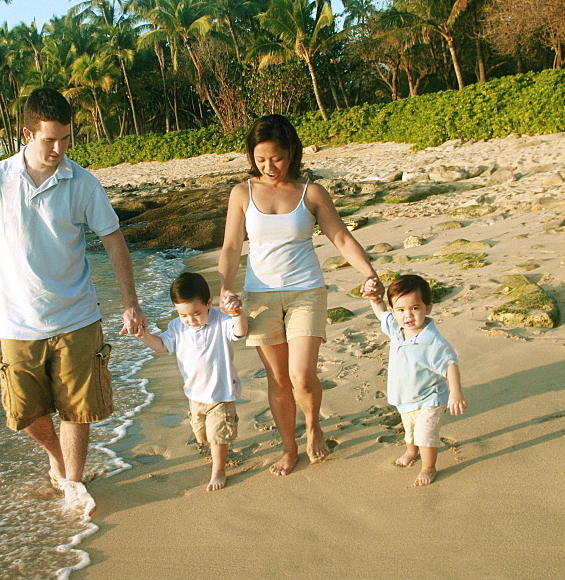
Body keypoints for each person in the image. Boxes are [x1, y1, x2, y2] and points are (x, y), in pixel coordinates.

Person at [0, 87, 146, 515]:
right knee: (24, 412)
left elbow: (112, 238)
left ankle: (72, 483)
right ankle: (56, 458)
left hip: (77, 315)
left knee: (78, 409)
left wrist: (130, 301)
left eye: (66, 139)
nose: (58, 149)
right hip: (18, 322)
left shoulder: (83, 182)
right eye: (49, 139)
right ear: (26, 133)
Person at [218, 114, 383, 477]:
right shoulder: (241, 193)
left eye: (276, 158)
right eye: (261, 159)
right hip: (260, 296)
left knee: (302, 377)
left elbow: (340, 237)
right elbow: (231, 246)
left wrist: (368, 273)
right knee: (277, 380)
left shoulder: (311, 192)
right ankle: (289, 448)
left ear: (291, 151)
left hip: (306, 292)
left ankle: (313, 427)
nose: (269, 166)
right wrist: (225, 286)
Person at [134, 271, 248, 491]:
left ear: (208, 303)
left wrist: (237, 314)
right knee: (202, 435)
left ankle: (219, 470)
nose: (191, 321)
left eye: (196, 313)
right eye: (183, 315)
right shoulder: (177, 327)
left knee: (218, 436)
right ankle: (216, 452)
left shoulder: (221, 320)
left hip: (220, 392)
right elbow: (162, 346)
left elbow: (240, 332)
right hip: (194, 395)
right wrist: (142, 335)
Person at [365, 273, 466, 486]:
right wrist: (375, 300)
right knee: (409, 430)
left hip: (430, 398)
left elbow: (450, 364)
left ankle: (429, 467)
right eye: (401, 310)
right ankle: (411, 452)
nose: (408, 315)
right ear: (394, 311)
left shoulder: (432, 340)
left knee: (425, 434)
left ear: (428, 308)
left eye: (415, 308)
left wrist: (455, 392)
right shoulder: (396, 330)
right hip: (405, 397)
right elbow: (382, 314)